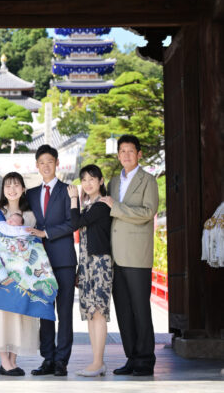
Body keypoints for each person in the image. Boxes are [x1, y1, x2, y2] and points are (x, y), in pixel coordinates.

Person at [100, 134, 159, 377]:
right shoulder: (113, 182)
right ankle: (132, 357)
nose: (126, 155)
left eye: (130, 151)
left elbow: (147, 212)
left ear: (139, 154)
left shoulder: (149, 181)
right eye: (122, 151)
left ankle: (145, 359)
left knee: (140, 308)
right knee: (123, 310)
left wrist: (116, 206)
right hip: (116, 255)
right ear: (118, 155)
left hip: (136, 254)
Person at [26, 144, 78, 377]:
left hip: (64, 260)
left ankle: (61, 361)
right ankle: (47, 358)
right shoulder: (31, 193)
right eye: (41, 162)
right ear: (37, 166)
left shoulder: (69, 191)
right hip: (40, 262)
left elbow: (72, 223)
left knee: (64, 312)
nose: (46, 166)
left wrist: (46, 233)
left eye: (50, 161)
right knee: (45, 312)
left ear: (57, 163)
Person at [0, 172, 39, 376]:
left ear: (23, 189)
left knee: (20, 315)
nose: (12, 189)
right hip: (0, 274)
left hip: (23, 275)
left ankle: (13, 360)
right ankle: (4, 361)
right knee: (1, 315)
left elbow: (35, 244)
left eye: (16, 185)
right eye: (8, 185)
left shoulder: (32, 215)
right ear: (3, 189)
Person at [68, 164, 112, 377]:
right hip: (86, 263)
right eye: (84, 179)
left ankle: (98, 361)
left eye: (92, 179)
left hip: (100, 264)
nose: (87, 183)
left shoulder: (102, 205)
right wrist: (79, 269)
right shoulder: (90, 206)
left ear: (101, 181)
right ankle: (96, 362)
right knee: (90, 313)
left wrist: (73, 199)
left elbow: (75, 223)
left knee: (98, 312)